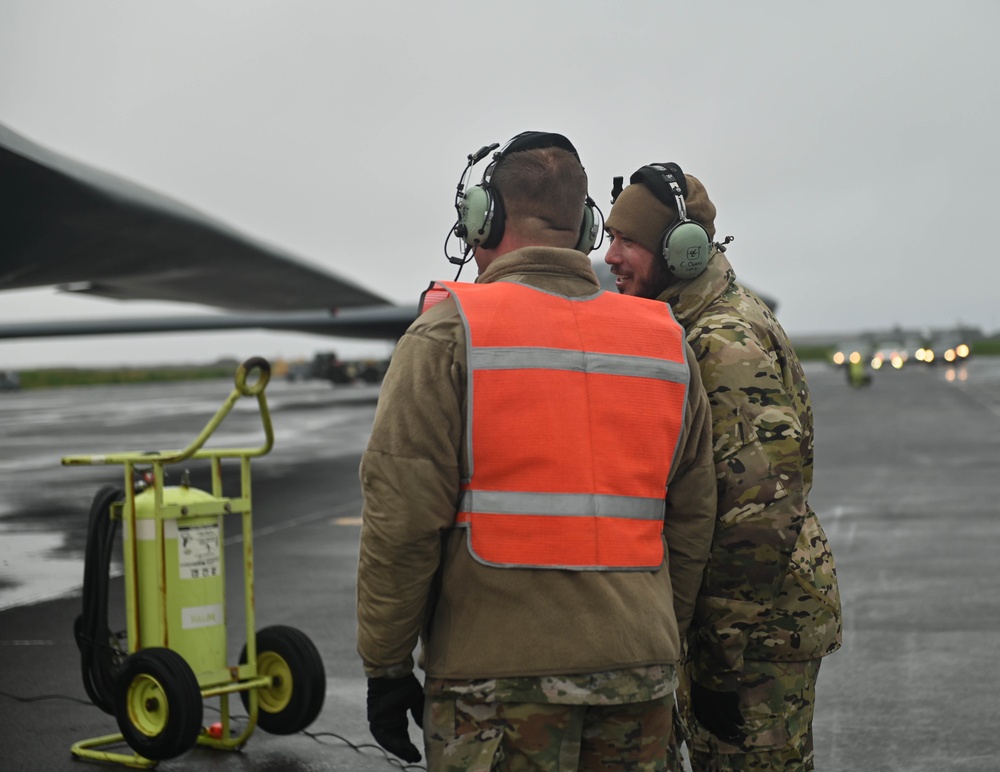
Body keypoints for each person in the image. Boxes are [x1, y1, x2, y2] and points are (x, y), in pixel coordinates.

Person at [356, 133, 719, 771]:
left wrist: (385, 666)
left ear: (484, 217)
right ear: (583, 227)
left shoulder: (447, 333)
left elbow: (402, 517)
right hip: (639, 679)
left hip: (494, 687)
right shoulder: (666, 343)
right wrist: (657, 631)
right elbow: (692, 518)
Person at [604, 162, 843, 770]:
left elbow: (759, 511)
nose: (611, 256)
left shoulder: (723, 342)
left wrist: (718, 659)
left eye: (627, 241)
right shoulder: (693, 322)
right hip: (739, 627)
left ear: (679, 251)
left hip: (755, 633)